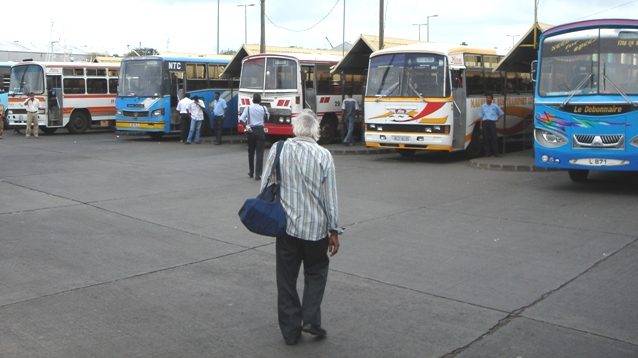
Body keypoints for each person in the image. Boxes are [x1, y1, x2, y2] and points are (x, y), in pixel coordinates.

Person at [259, 109, 340, 346]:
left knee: (286, 280)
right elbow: (330, 197)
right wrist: (334, 230)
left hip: (286, 227)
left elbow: (266, 184)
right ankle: (311, 318)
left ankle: (290, 332)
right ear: (315, 131)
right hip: (316, 230)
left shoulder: (279, 149)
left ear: (295, 129)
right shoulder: (324, 155)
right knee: (316, 272)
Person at [238, 93, 269, 180]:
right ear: (260, 100)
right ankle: (258, 174)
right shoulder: (263, 108)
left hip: (250, 131)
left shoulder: (248, 108)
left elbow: (241, 120)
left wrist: (246, 126)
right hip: (260, 130)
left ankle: (251, 172)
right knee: (260, 153)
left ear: (252, 100)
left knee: (251, 152)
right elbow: (267, 117)